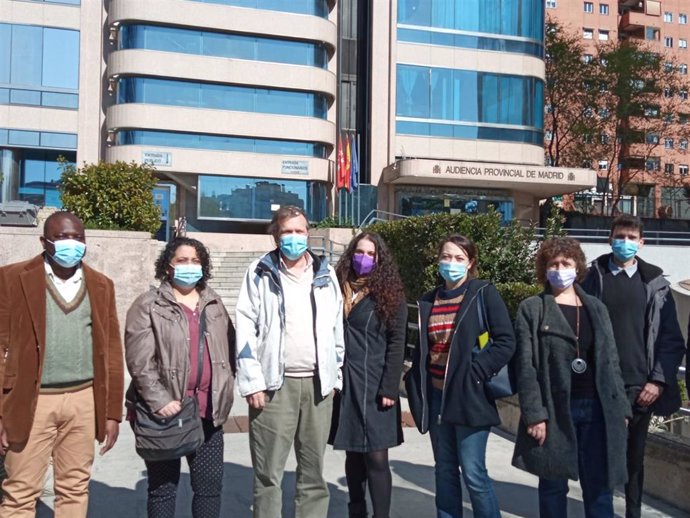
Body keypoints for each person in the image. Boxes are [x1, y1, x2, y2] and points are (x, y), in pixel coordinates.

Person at [0, 211, 124, 518]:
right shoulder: (12, 279)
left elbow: (111, 350)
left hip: (83, 401)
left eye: (78, 237)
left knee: (75, 489)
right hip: (32, 400)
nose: (72, 243)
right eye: (62, 237)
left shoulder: (101, 285)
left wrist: (111, 413)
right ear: (44, 241)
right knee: (20, 493)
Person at [235, 205, 344, 518]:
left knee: (313, 474)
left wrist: (335, 377)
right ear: (275, 235)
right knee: (268, 473)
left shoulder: (326, 273)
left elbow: (337, 328)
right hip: (273, 388)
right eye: (287, 232)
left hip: (318, 387)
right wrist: (252, 382)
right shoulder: (260, 272)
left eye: (300, 231)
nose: (294, 237)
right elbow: (245, 327)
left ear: (308, 233)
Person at [512, 237, 632, 518]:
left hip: (598, 409)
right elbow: (526, 366)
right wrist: (534, 414)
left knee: (600, 486)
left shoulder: (596, 308)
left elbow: (611, 360)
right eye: (553, 264)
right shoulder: (532, 308)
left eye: (565, 263)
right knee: (553, 486)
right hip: (555, 410)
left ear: (577, 267)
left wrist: (622, 407)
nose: (559, 269)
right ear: (544, 268)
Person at [581, 215, 685, 518]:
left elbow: (671, 339)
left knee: (633, 459)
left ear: (642, 242)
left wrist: (657, 381)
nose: (624, 242)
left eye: (631, 237)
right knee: (597, 455)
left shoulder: (655, 285)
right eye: (619, 236)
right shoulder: (591, 279)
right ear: (609, 239)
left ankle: (632, 512)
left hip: (640, 386)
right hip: (598, 385)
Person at [405, 234, 515, 518]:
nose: (451, 263)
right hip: (436, 396)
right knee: (444, 471)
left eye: (458, 258)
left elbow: (506, 340)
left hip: (469, 398)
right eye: (446, 257)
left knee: (474, 473)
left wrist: (475, 371)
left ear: (470, 263)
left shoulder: (482, 293)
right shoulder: (429, 300)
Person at [125, 237, 235, 518]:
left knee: (209, 488)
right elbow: (139, 361)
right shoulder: (148, 304)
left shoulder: (214, 303)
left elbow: (228, 349)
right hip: (166, 414)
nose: (190, 266)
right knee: (163, 489)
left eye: (196, 261)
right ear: (168, 266)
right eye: (182, 260)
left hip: (208, 412)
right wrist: (160, 400)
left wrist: (225, 389)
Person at [329, 232, 408, 518]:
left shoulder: (389, 294)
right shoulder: (335, 288)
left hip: (376, 384)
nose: (364, 258)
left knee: (376, 456)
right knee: (352, 453)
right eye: (360, 252)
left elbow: (397, 342)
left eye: (371, 254)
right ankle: (356, 511)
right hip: (345, 384)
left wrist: (390, 387)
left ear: (379, 260)